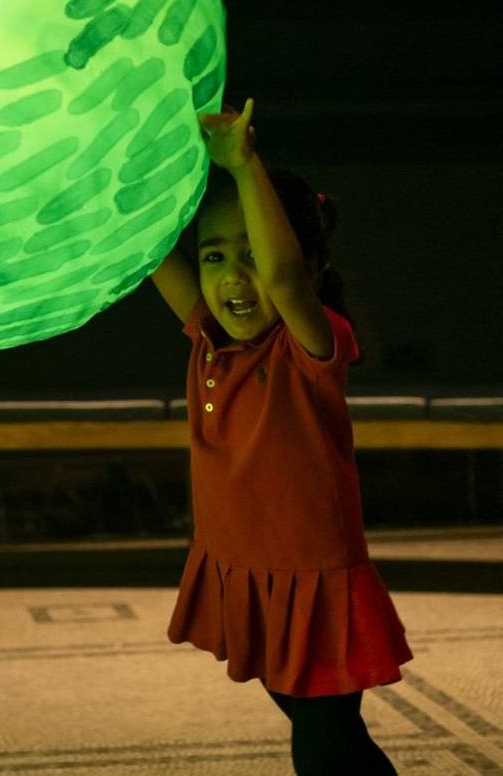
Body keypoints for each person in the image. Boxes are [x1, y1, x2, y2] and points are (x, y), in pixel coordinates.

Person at [148, 98, 412, 775]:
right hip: (249, 575)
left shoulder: (308, 347)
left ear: (309, 267)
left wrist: (243, 166)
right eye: (213, 256)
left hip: (314, 587)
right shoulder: (210, 337)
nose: (233, 278)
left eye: (251, 256)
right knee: (339, 744)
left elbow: (285, 278)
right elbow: (145, 253)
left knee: (322, 749)